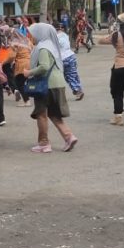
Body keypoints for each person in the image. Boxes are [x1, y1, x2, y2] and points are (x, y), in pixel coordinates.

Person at [25, 23, 78, 153]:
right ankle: (69, 136)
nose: (32, 36)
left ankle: (43, 143)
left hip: (46, 85)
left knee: (41, 114)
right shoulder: (53, 46)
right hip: (57, 83)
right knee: (54, 113)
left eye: (34, 33)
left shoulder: (43, 48)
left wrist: (29, 73)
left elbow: (44, 66)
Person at [55, 24, 85, 101]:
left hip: (64, 58)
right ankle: (78, 89)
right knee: (73, 74)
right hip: (71, 55)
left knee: (68, 76)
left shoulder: (55, 37)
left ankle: (77, 91)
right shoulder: (65, 35)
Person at [10, 29, 33, 107]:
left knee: (19, 83)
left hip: (21, 65)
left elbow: (12, 55)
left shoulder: (15, 43)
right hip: (29, 63)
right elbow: (32, 49)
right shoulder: (27, 40)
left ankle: (27, 101)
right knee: (22, 82)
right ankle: (26, 99)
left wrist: (5, 62)